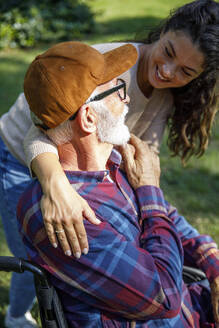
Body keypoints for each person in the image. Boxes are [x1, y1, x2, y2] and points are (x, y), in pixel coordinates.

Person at [0, 0, 219, 325]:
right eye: (169, 52)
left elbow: (142, 155)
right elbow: (43, 129)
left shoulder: (156, 99)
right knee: (47, 249)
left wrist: (146, 187)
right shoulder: (107, 70)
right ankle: (17, 316)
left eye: (186, 71)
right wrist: (54, 183)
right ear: (163, 33)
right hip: (24, 158)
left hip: (94, 156)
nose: (170, 71)